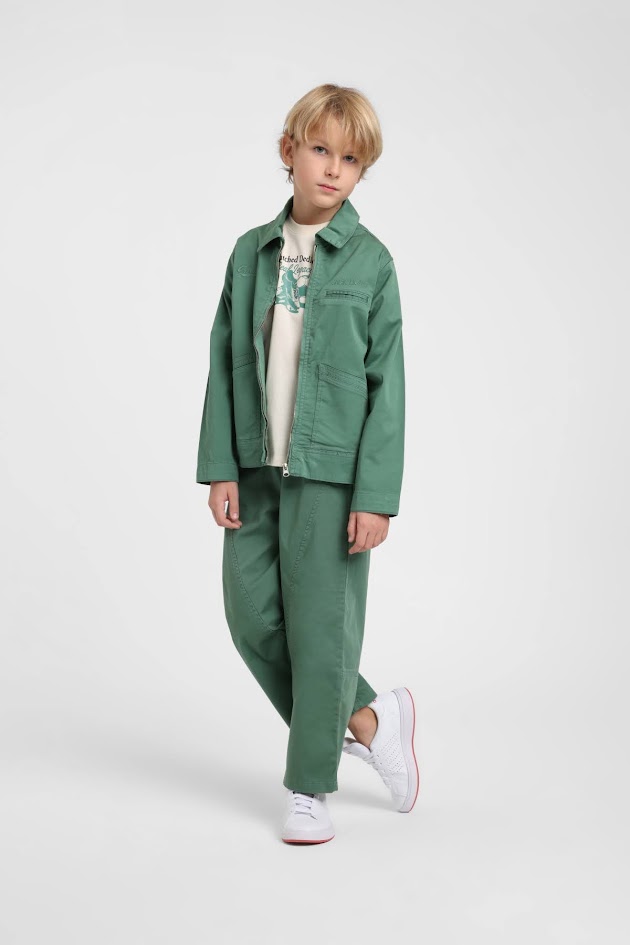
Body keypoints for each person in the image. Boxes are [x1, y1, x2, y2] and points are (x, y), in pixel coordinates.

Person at [196, 83, 419, 845]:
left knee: (321, 633)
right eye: (320, 149)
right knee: (251, 616)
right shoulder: (248, 253)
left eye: (350, 159)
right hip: (256, 465)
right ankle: (369, 718)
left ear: (361, 172)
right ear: (289, 151)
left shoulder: (372, 262)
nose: (332, 169)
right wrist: (221, 466)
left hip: (331, 474)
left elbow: (388, 387)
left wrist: (375, 494)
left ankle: (309, 786)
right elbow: (224, 363)